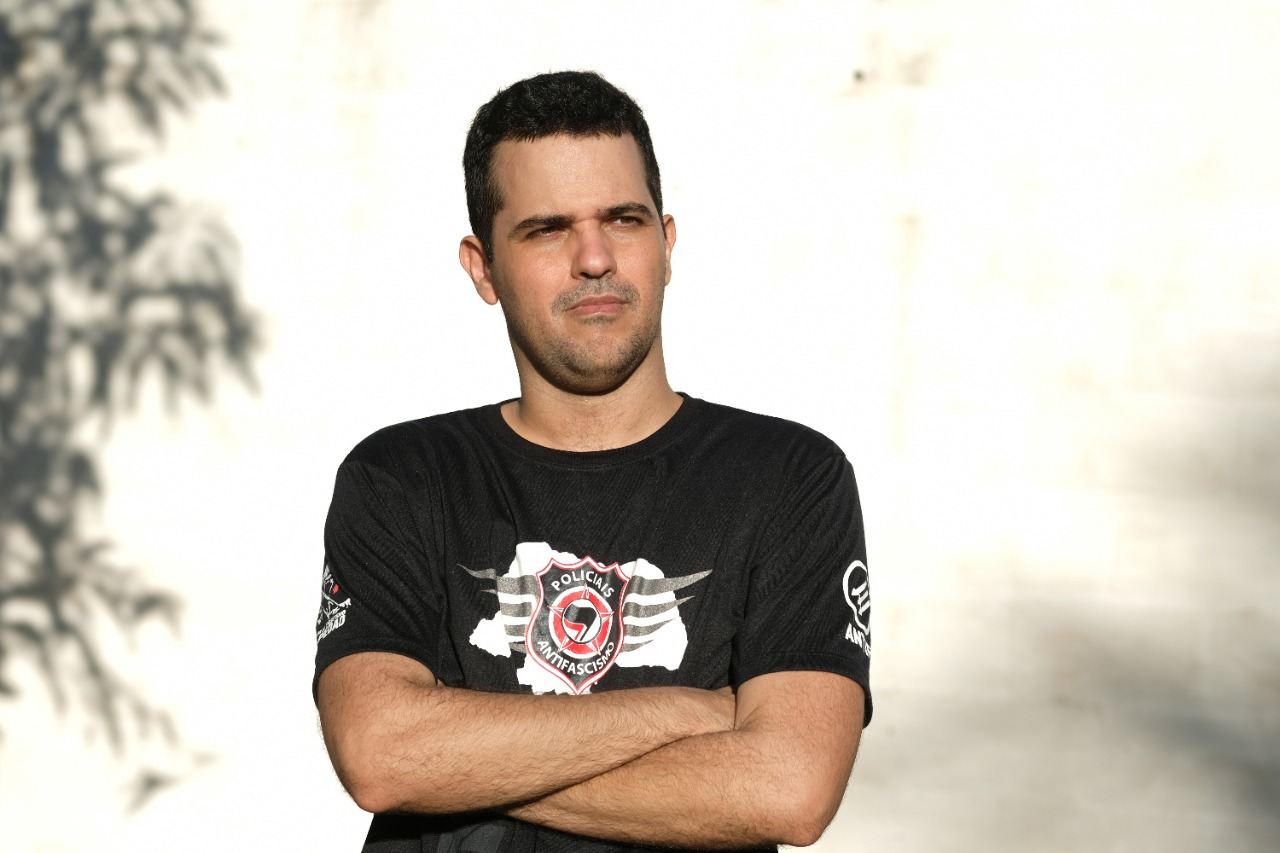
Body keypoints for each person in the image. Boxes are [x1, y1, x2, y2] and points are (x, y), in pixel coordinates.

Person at [313, 70, 872, 853]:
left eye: (624, 219)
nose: (595, 258)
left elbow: (788, 788)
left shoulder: (789, 476)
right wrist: (689, 711)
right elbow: (382, 755)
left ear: (666, 244)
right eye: (547, 230)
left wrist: (463, 759)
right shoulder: (402, 477)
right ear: (482, 267)